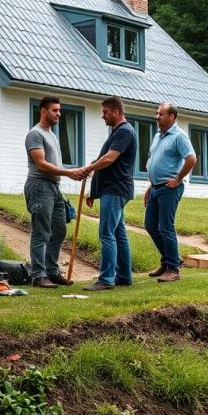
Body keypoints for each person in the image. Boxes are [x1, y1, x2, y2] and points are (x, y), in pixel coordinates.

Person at [24, 96, 85, 288]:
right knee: (41, 232)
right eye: (55, 110)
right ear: (44, 111)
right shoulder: (35, 134)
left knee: (59, 229)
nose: (59, 113)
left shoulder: (52, 134)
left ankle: (51, 271)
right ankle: (38, 275)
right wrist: (69, 173)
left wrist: (77, 170)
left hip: (54, 188)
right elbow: (41, 165)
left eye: (59, 110)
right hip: (39, 186)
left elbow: (54, 164)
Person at [78, 97, 136, 291]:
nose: (102, 116)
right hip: (113, 189)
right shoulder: (117, 133)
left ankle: (106, 279)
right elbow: (104, 159)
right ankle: (124, 276)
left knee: (106, 233)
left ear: (116, 112)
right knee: (119, 233)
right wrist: (93, 191)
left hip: (116, 189)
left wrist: (89, 167)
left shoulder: (124, 131)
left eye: (105, 112)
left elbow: (109, 159)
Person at [144, 102, 196, 282]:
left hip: (169, 188)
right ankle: (168, 260)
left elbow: (191, 159)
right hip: (155, 188)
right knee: (150, 225)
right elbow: (154, 161)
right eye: (157, 114)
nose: (157, 117)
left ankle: (173, 269)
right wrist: (150, 186)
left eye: (161, 114)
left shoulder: (179, 136)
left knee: (165, 227)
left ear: (172, 117)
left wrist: (178, 179)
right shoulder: (158, 135)